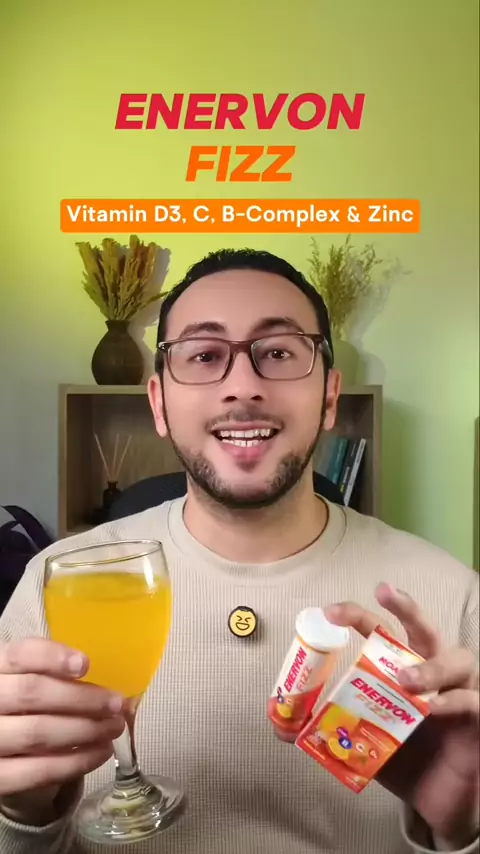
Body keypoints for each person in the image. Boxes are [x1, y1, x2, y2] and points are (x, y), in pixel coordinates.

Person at [0, 248, 478, 854]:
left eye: (278, 353)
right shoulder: (56, 585)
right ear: (159, 403)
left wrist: (463, 830)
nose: (243, 387)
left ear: (331, 397)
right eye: (204, 355)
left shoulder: (453, 600)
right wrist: (20, 814)